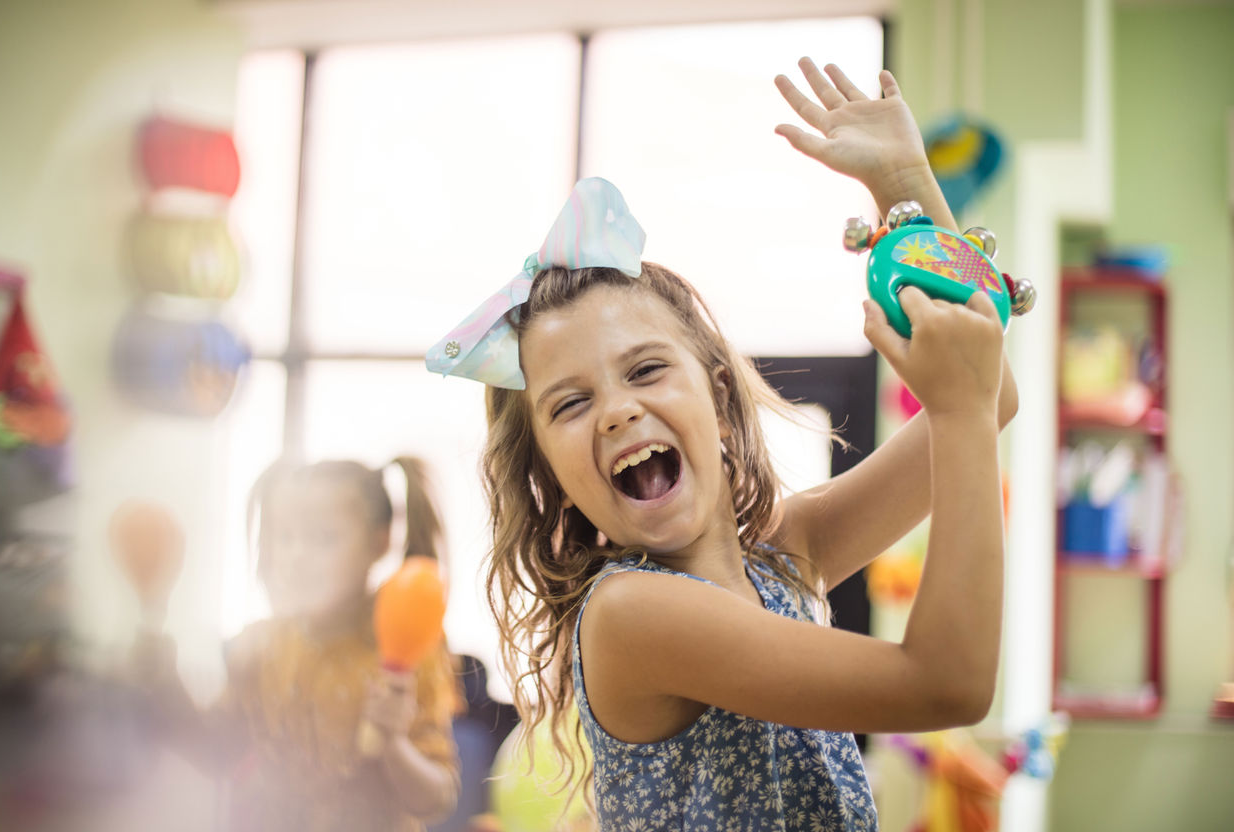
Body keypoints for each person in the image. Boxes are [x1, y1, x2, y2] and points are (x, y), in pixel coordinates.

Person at [426, 57, 1017, 831]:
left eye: (645, 370)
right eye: (571, 404)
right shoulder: (632, 615)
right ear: (549, 473)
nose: (616, 412)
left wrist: (905, 180)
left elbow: (993, 397)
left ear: (714, 383)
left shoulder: (782, 554)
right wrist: (960, 409)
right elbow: (947, 685)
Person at [131, 457, 462, 832]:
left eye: (324, 539)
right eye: (285, 538)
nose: (297, 556)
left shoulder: (405, 652)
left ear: (379, 541)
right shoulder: (261, 645)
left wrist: (394, 746)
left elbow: (437, 799)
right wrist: (164, 682)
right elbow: (219, 752)